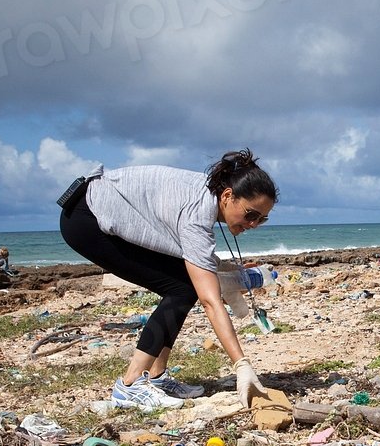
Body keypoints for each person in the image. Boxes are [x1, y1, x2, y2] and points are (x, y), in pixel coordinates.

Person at [59, 149, 275, 411]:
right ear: (228, 196)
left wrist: (225, 267)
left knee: (182, 284)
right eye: (251, 214)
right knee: (182, 287)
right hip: (87, 220)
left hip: (92, 208)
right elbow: (210, 301)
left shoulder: (207, 196)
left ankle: (157, 377)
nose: (254, 224)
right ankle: (129, 386)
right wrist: (241, 364)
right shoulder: (197, 215)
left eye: (262, 219)